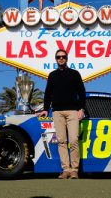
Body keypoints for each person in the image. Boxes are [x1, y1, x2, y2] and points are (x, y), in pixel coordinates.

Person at [38, 49, 86, 179]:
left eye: (63, 57)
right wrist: (45, 109)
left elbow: (82, 92)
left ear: (66, 58)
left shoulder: (75, 74)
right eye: (58, 57)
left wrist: (81, 108)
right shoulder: (52, 75)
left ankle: (74, 170)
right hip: (57, 112)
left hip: (72, 112)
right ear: (56, 59)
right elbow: (48, 94)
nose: (61, 59)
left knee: (74, 140)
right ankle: (66, 170)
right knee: (61, 141)